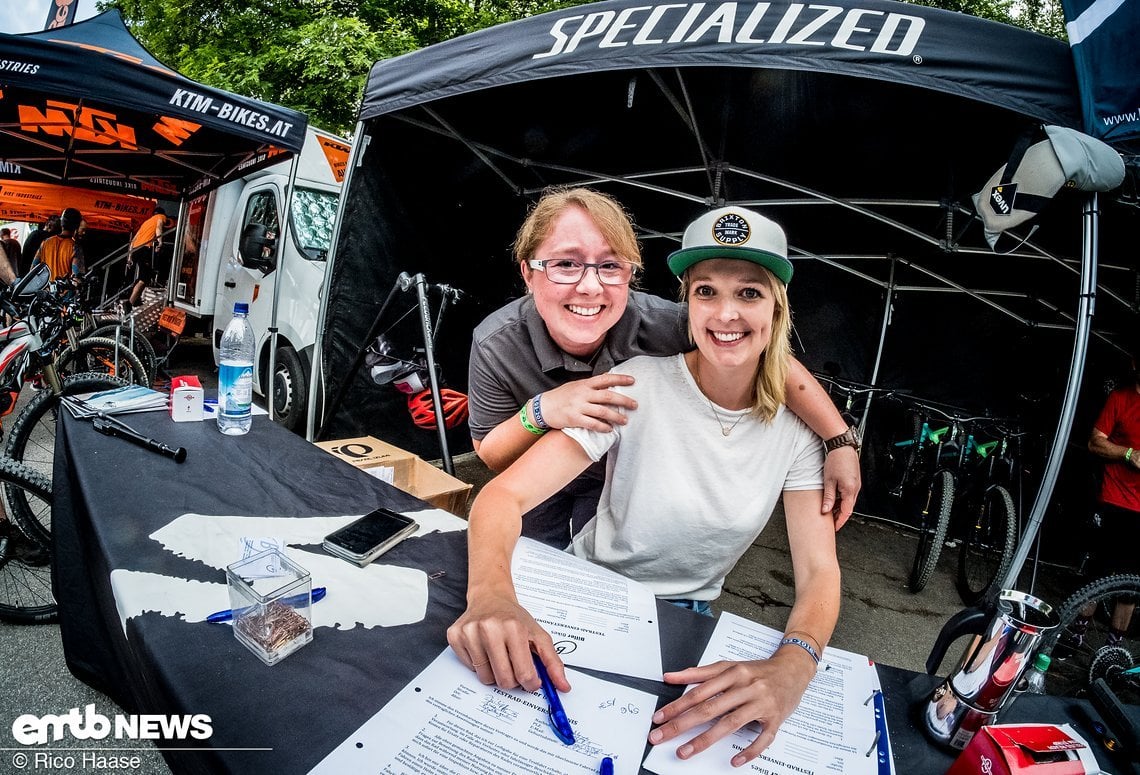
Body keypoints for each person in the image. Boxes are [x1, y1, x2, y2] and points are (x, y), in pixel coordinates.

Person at [449, 206, 840, 768]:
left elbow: (820, 571)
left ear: (778, 304)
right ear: (689, 305)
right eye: (706, 292)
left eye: (750, 293)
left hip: (688, 613)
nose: (726, 313)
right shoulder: (635, 382)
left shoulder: (799, 434)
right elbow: (501, 491)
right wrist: (491, 595)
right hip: (588, 588)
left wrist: (796, 661)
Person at [468, 188, 861, 547]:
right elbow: (490, 454)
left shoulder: (665, 324)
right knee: (530, 562)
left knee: (602, 570)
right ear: (528, 273)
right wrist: (544, 410)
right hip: (538, 471)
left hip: (616, 480)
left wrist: (839, 441)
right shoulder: (496, 343)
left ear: (630, 275)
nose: (590, 287)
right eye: (566, 264)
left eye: (610, 266)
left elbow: (769, 359)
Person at [1074, 349, 1140, 645]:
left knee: (1131, 585)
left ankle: (1113, 650)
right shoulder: (1120, 399)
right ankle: (1075, 635)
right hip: (1114, 501)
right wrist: (1128, 453)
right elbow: (1094, 442)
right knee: (1098, 575)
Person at [125, 207, 171, 312]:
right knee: (145, 278)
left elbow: (133, 240)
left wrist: (129, 257)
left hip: (136, 249)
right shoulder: (160, 217)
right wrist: (160, 241)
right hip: (144, 249)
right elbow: (159, 227)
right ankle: (130, 302)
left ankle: (135, 298)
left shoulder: (146, 222)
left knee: (143, 274)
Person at [33, 207, 84, 282]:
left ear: (61, 223)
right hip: (64, 292)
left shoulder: (45, 242)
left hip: (46, 291)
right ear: (77, 225)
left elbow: (33, 268)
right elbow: (76, 278)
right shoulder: (75, 247)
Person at [20, 214, 59, 280]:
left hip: (27, 274)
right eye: (55, 230)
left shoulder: (35, 234)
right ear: (49, 225)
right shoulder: (42, 237)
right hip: (32, 276)